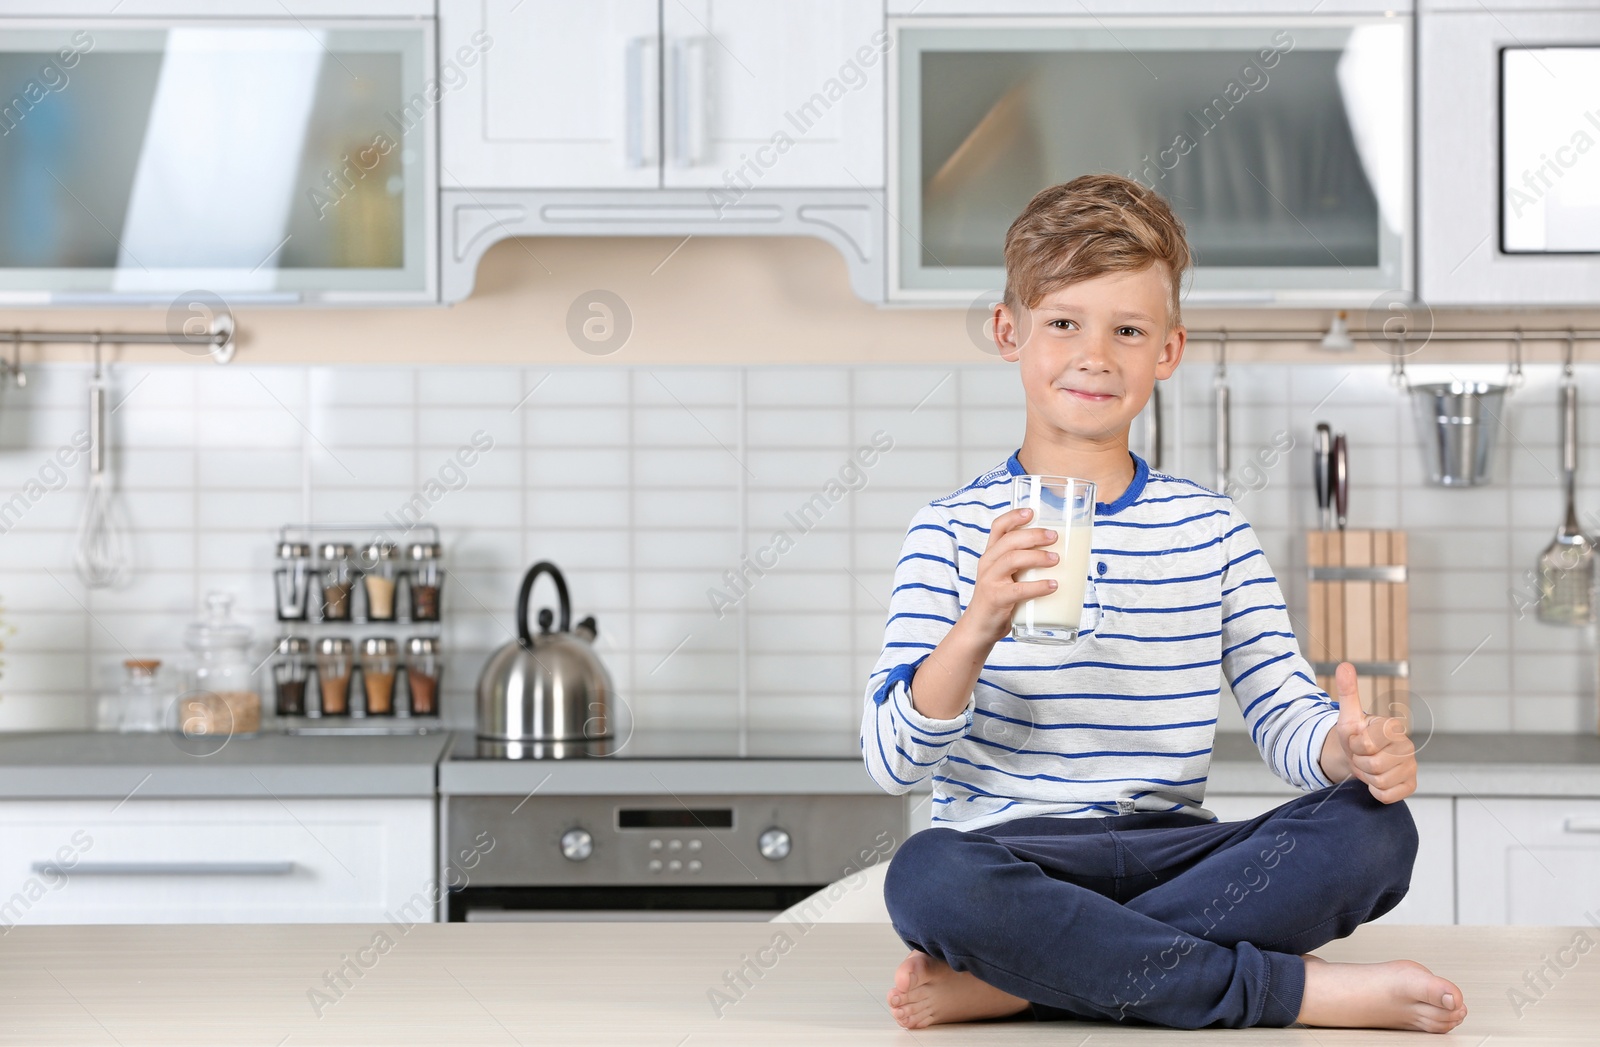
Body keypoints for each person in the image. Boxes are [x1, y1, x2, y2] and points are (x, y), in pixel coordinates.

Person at [860, 174, 1466, 1033]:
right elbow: (893, 763)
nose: (1095, 354)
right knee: (926, 875)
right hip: (1014, 858)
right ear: (1010, 331)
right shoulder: (949, 532)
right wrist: (977, 624)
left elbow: (1286, 718)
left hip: (1174, 850)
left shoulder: (1212, 528)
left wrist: (1347, 748)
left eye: (1128, 330)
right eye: (1064, 321)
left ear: (1168, 351)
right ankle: (1291, 992)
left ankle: (1026, 980)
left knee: (1376, 831)